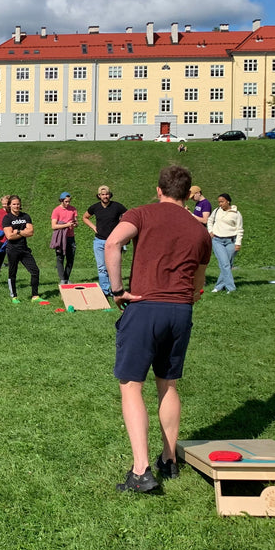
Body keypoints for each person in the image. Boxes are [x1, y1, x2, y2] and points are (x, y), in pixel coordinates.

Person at [104, 165, 211, 493]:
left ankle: (141, 471)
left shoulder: (142, 214)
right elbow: (198, 285)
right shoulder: (200, 230)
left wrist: (118, 288)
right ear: (187, 192)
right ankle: (169, 459)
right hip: (180, 311)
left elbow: (112, 244)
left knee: (131, 384)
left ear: (159, 190)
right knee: (168, 384)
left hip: (146, 306)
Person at [82, 185, 128, 296]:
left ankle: (115, 290)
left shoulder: (117, 206)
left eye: (107, 194)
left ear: (109, 195)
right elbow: (85, 217)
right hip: (99, 241)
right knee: (101, 267)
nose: (105, 196)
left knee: (113, 267)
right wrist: (94, 227)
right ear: (99, 196)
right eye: (102, 194)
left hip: (113, 242)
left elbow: (128, 216)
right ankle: (105, 290)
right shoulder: (95, 207)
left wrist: (121, 228)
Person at [3, 195, 40, 302]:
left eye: (18, 204)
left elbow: (31, 232)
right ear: (10, 205)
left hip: (24, 249)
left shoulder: (25, 216)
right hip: (12, 249)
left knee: (35, 271)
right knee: (12, 272)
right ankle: (14, 296)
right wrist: (24, 232)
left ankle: (35, 296)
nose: (16, 206)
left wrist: (18, 232)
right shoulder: (7, 218)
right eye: (14, 204)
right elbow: (9, 236)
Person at [207, 193, 244, 293]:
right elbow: (210, 220)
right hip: (217, 240)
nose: (220, 204)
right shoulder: (216, 211)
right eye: (219, 202)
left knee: (227, 264)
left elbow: (240, 229)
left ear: (228, 201)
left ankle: (219, 286)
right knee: (225, 264)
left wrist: (238, 243)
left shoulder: (236, 214)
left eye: (222, 202)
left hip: (231, 241)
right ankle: (231, 288)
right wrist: (210, 231)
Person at [50, 192, 78, 285]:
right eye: (66, 201)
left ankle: (66, 278)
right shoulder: (56, 210)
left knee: (70, 259)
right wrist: (66, 225)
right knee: (60, 258)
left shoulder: (73, 209)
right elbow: (53, 226)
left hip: (70, 237)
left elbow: (76, 222)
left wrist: (75, 224)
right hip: (60, 238)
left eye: (69, 201)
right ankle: (62, 279)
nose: (68, 203)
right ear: (61, 200)